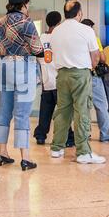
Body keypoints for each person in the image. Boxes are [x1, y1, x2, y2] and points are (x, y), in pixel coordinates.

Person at [49, 0, 106, 164]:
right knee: (82, 111)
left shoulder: (56, 31)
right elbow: (95, 56)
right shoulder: (86, 30)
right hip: (80, 74)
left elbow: (52, 53)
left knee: (62, 111)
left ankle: (57, 148)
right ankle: (83, 152)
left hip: (62, 75)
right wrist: (90, 68)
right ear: (79, 13)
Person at [0, 0, 43, 171]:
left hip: (5, 65)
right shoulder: (26, 21)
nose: (28, 6)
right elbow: (37, 48)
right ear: (23, 4)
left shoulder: (1, 22)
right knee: (22, 113)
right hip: (23, 66)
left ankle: (3, 153)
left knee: (4, 110)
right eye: (27, 3)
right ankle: (25, 158)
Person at [33, 11, 75, 147]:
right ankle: (68, 138)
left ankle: (40, 136)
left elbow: (37, 57)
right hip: (59, 81)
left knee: (45, 112)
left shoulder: (41, 38)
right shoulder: (60, 37)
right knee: (63, 112)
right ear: (58, 23)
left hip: (46, 81)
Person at [80, 19, 109, 143]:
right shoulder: (93, 37)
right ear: (90, 28)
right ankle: (106, 134)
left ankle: (85, 135)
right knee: (102, 106)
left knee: (83, 107)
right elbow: (102, 58)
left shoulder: (78, 39)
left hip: (80, 76)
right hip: (93, 76)